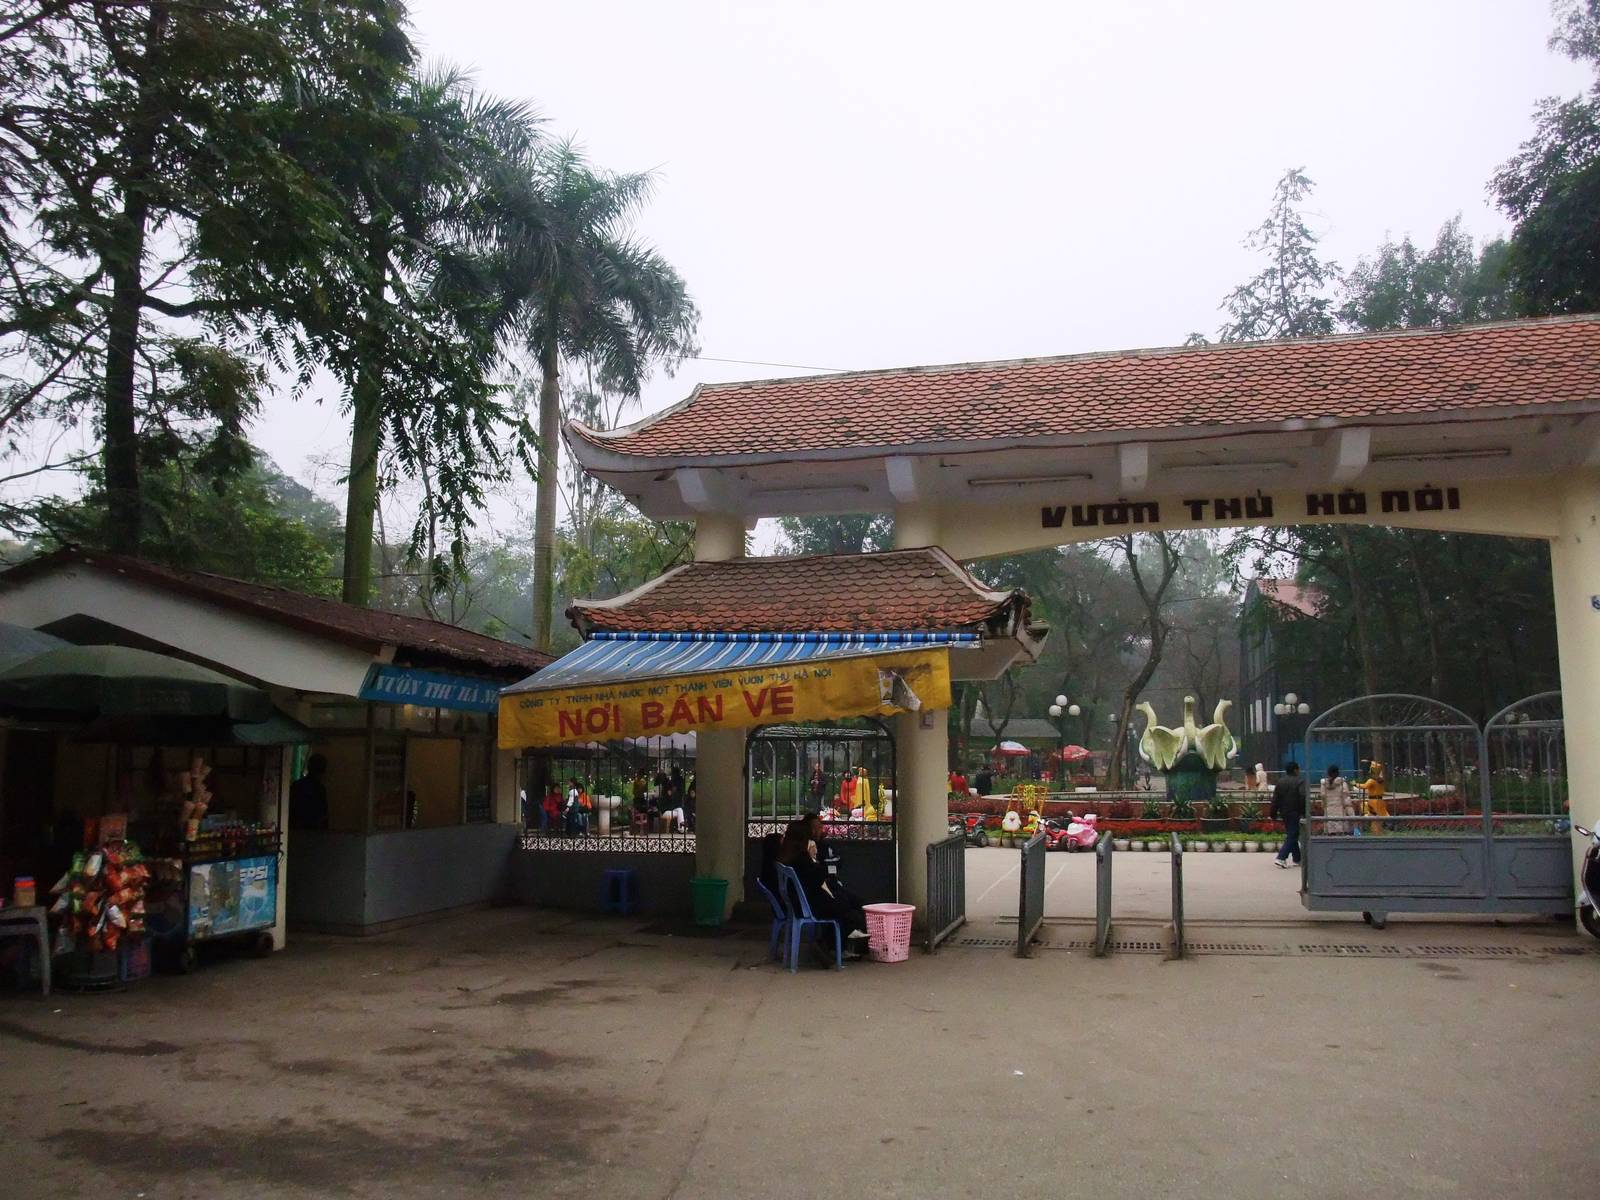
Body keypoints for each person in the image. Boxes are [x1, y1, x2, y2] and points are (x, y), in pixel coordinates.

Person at [775, 814, 869, 958]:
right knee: (852, 914)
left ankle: (831, 945)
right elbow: (817, 877)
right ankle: (829, 945)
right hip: (810, 903)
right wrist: (813, 858)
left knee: (848, 906)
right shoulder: (801, 857)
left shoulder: (787, 855)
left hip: (804, 902)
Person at [1270, 761, 1307, 867]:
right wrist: (1304, 812)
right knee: (1293, 835)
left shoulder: (1280, 782)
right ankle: (1281, 857)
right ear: (1295, 770)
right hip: (1295, 812)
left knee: (1293, 834)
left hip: (1284, 812)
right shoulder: (1300, 781)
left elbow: (1275, 799)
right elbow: (1303, 797)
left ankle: (1297, 858)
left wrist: (1273, 812)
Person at [288, 753, 329, 831]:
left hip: (295, 829)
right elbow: (323, 815)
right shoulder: (320, 789)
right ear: (323, 771)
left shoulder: (296, 785)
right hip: (313, 830)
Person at [1322, 763, 1354, 835]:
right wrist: (1351, 813)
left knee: (1330, 834)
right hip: (1340, 812)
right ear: (1338, 773)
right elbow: (1346, 800)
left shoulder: (1323, 785)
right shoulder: (1342, 784)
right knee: (1341, 835)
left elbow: (1323, 799)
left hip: (1328, 812)